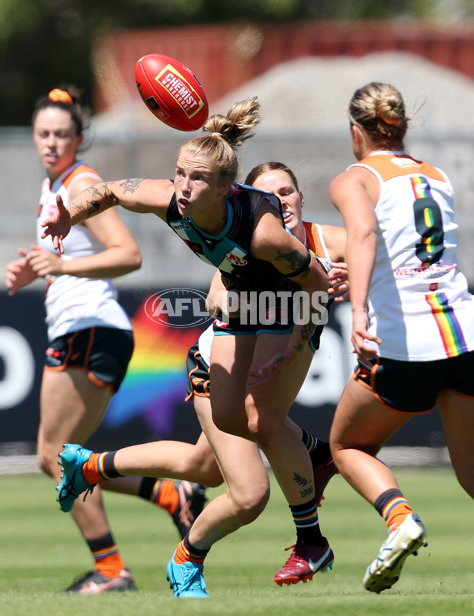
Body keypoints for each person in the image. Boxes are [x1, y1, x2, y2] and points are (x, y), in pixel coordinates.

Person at [41, 99, 338, 598]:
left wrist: (296, 346)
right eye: (178, 173)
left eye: (196, 179)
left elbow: (316, 285)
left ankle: (308, 538)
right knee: (228, 424)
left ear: (225, 188)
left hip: (293, 311)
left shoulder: (263, 233)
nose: (182, 186)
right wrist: (70, 212)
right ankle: (314, 452)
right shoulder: (170, 200)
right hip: (245, 310)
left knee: (258, 437)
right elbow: (112, 190)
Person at [326, 81, 474, 595]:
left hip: (407, 341)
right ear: (400, 127)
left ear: (356, 131)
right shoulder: (434, 175)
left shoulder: (353, 178)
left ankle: (399, 519)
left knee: (346, 444)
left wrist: (356, 311)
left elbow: (362, 235)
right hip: (467, 335)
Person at [5, 87, 206, 594]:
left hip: (90, 328)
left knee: (55, 456)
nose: (51, 142)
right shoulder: (55, 184)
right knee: (65, 454)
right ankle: (170, 495)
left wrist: (63, 265)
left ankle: (112, 571)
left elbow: (127, 253)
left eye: (62, 134)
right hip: (88, 329)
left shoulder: (82, 183)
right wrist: (40, 268)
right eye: (43, 134)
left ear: (78, 137)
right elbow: (68, 256)